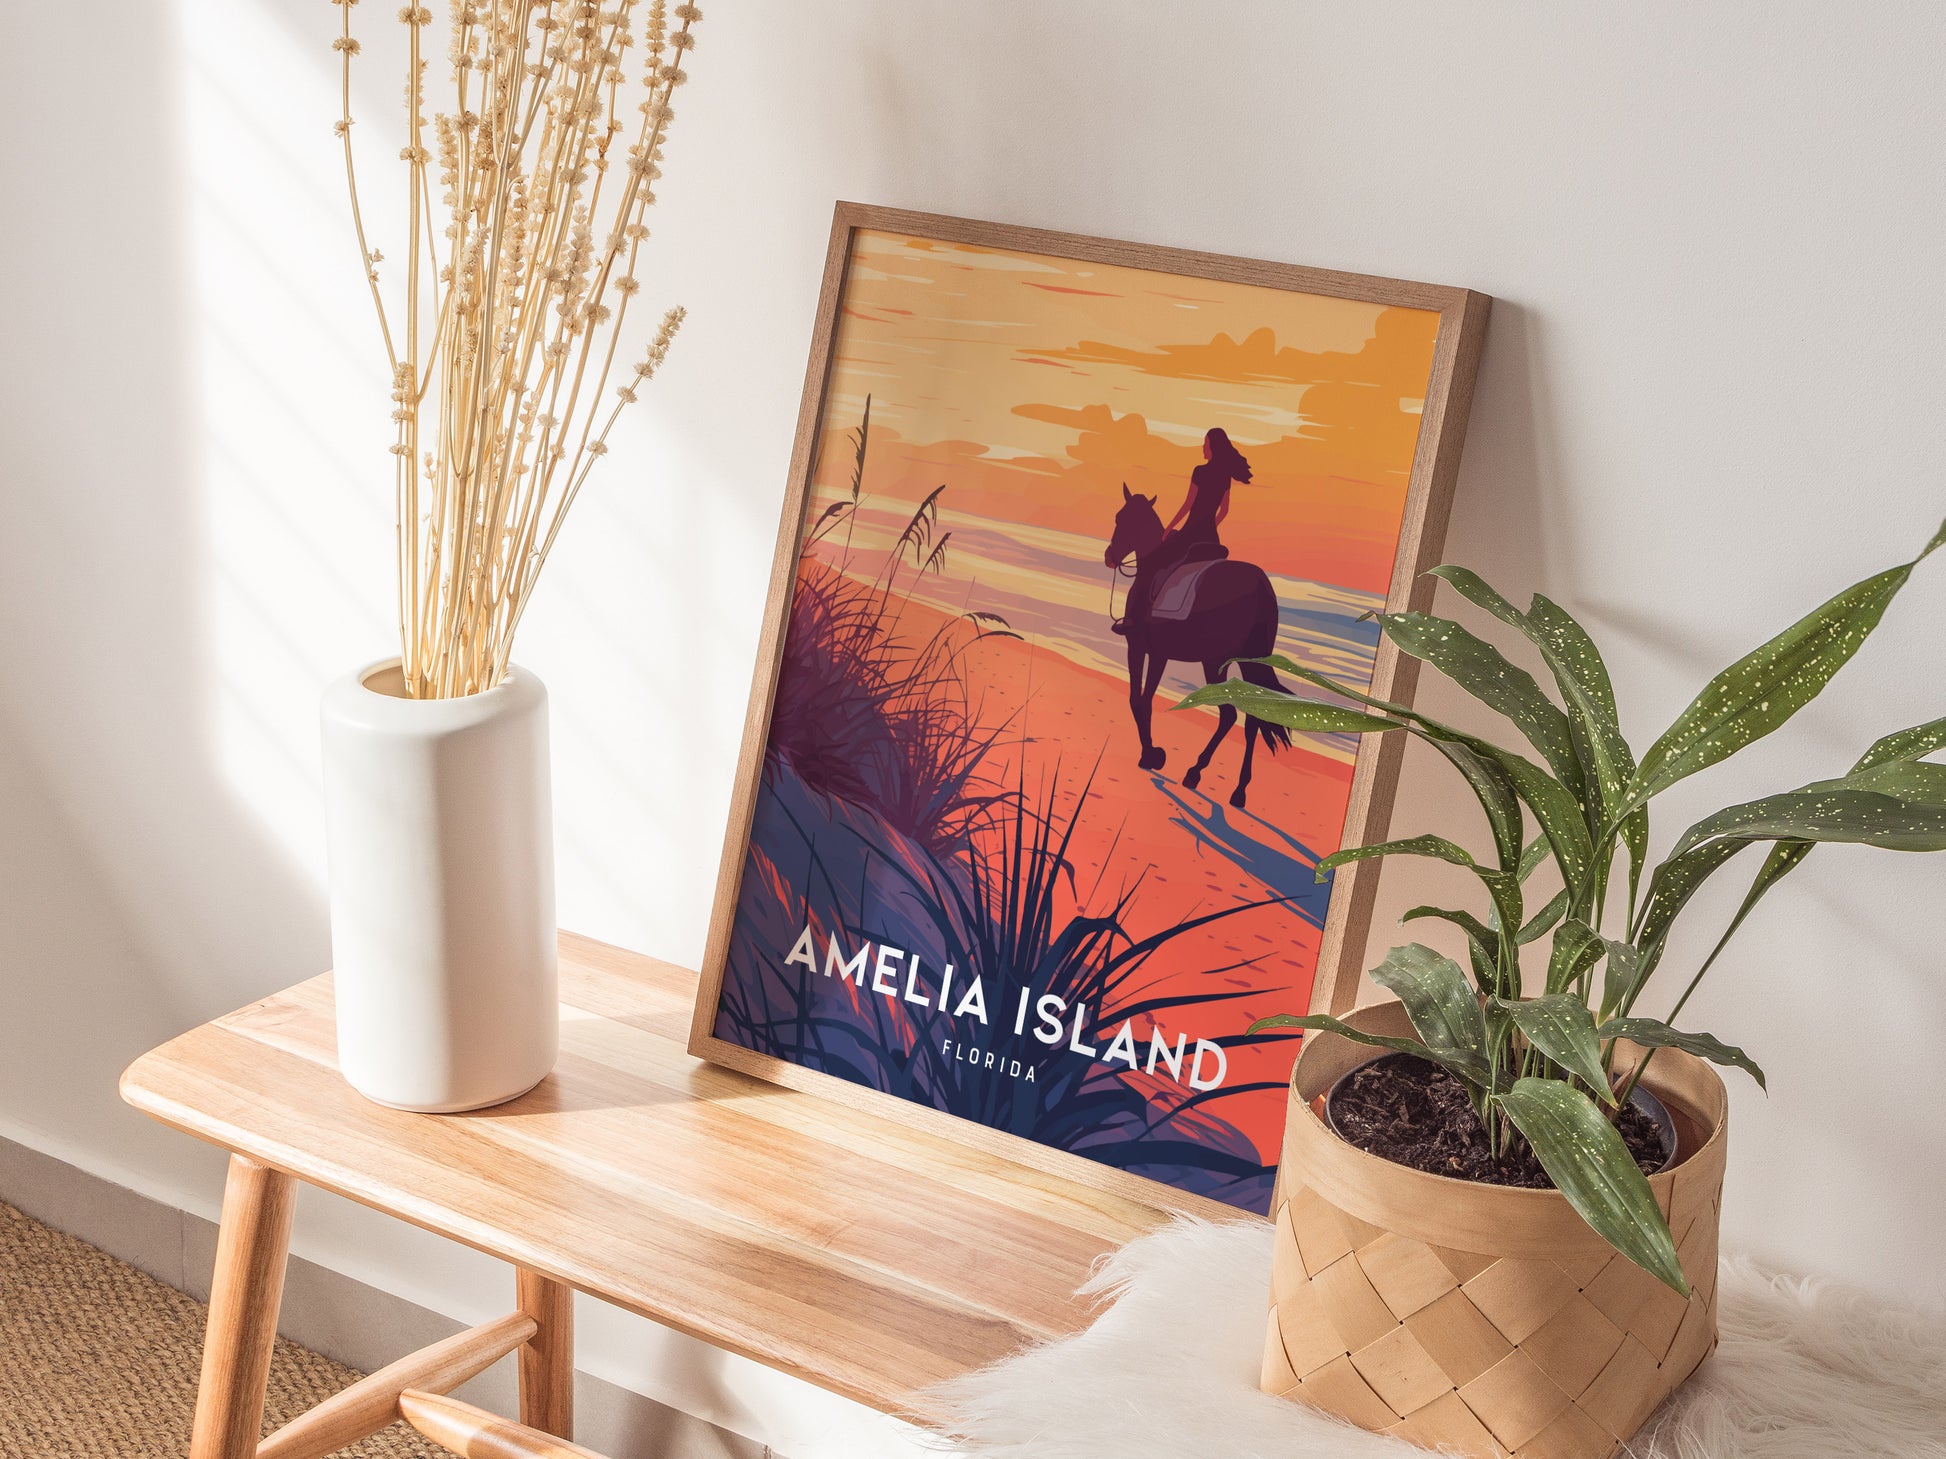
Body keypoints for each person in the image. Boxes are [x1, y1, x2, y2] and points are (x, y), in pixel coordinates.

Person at [1113, 427, 1253, 636]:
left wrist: (1168, 529)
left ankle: (1133, 619)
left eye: (1205, 445)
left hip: (1190, 535)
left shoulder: (1200, 471)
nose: (1203, 449)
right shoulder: (1225, 476)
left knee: (1151, 563)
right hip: (1212, 539)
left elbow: (1188, 505)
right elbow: (1224, 510)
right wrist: (1211, 527)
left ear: (1212, 447)